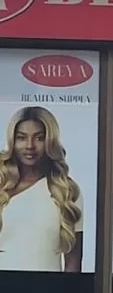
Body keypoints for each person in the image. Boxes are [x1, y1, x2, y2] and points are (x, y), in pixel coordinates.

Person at [0, 106, 83, 272]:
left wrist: (69, 289)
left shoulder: (66, 191)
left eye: (39, 138)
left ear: (50, 141)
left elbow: (73, 261)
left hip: (49, 287)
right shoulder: (2, 185)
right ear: (12, 141)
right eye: (21, 138)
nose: (29, 145)